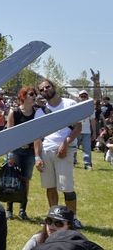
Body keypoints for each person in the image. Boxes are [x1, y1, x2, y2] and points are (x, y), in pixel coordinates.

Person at [34, 79, 82, 227]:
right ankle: (54, 218)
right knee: (50, 187)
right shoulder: (40, 111)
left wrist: (65, 143)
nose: (45, 90)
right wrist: (37, 156)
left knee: (67, 187)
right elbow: (36, 135)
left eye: (47, 87)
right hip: (46, 151)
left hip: (64, 151)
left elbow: (77, 127)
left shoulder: (69, 104)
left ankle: (72, 219)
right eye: (41, 90)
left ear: (53, 87)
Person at [4, 86, 37, 220]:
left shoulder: (37, 113)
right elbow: (9, 134)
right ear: (23, 96)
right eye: (31, 94)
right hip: (15, 151)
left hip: (30, 152)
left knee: (25, 180)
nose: (34, 96)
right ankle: (9, 210)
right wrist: (11, 151)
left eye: (35, 94)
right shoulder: (15, 112)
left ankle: (23, 210)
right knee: (12, 179)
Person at [77, 90, 96, 170]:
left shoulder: (90, 108)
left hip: (86, 131)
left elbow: (92, 121)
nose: (83, 98)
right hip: (76, 131)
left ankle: (88, 164)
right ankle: (73, 162)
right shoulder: (74, 107)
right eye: (82, 96)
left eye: (85, 96)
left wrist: (94, 132)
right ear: (79, 97)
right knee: (73, 148)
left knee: (87, 149)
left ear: (87, 97)